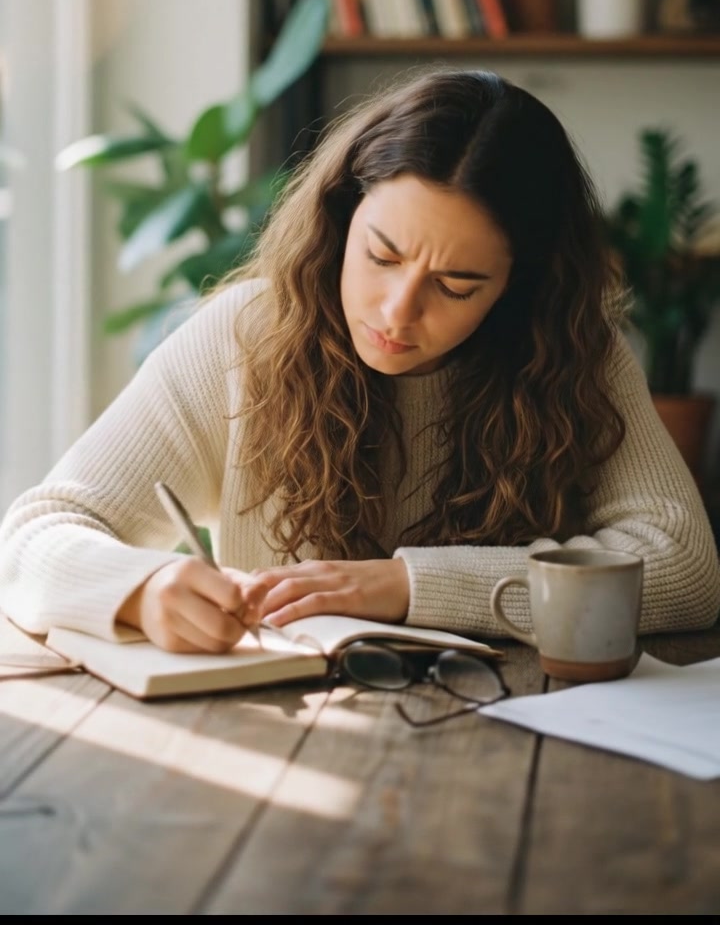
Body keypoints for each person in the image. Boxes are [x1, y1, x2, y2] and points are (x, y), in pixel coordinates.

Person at [0, 67, 718, 654]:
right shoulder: (241, 337)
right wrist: (143, 587)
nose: (397, 311)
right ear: (342, 216)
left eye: (457, 285)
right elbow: (33, 538)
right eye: (381, 254)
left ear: (520, 287)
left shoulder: (573, 355)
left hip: (525, 743)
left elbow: (685, 569)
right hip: (283, 746)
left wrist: (409, 586)